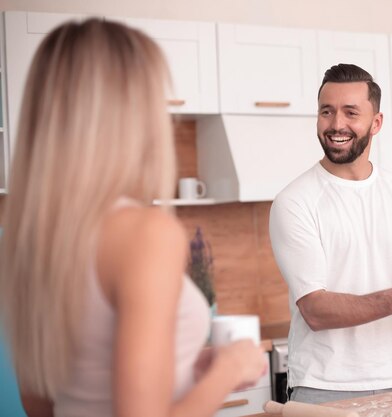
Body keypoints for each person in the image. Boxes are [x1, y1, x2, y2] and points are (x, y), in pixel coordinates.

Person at [0, 19, 266, 417]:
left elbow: (44, 405)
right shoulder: (145, 233)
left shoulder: (23, 239)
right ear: (129, 113)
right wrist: (228, 370)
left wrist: (189, 370)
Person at [269, 63, 392, 404]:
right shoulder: (294, 202)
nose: (336, 124)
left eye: (350, 112)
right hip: (324, 389)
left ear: (376, 123)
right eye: (327, 112)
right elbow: (315, 310)